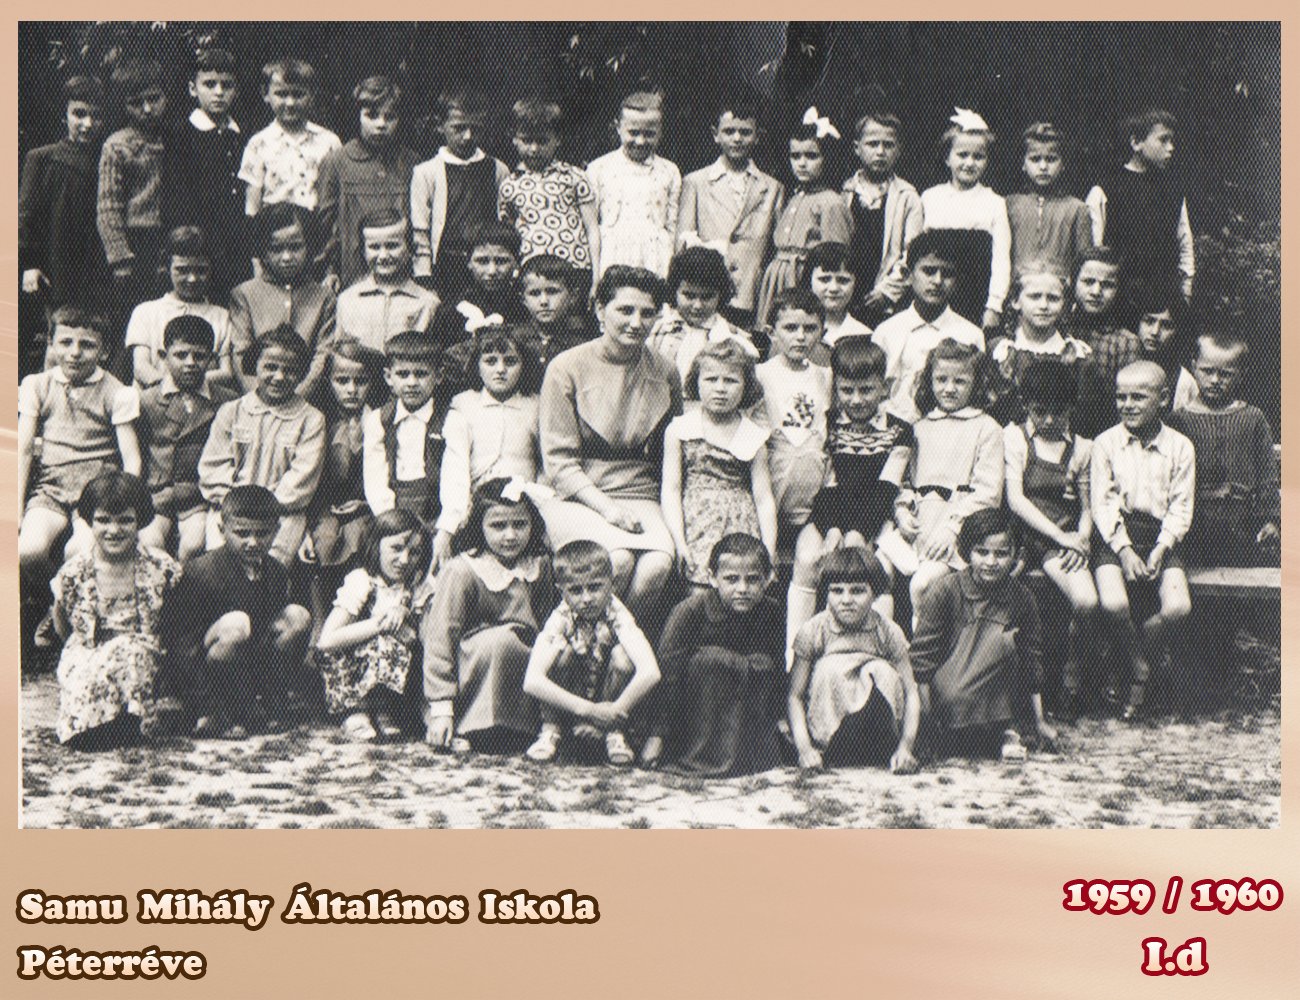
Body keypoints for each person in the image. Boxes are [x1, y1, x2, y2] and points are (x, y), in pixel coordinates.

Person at [540, 266, 682, 625]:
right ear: (600, 310)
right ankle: (582, 644)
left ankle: (612, 645)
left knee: (657, 565)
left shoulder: (665, 371)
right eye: (625, 310)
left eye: (647, 313)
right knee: (615, 560)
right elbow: (558, 463)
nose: (636, 323)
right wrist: (608, 509)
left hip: (639, 491)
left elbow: (670, 453)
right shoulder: (566, 367)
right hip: (578, 493)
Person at [787, 337, 913, 652]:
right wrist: (832, 530)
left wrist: (858, 532)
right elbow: (827, 485)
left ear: (884, 387)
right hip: (829, 513)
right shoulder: (828, 424)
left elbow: (885, 489)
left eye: (866, 390)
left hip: (876, 516)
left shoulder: (899, 431)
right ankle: (797, 651)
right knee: (808, 558)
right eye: (847, 390)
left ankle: (873, 652)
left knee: (875, 566)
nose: (856, 400)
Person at [160, 485, 312, 737]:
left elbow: (269, 642)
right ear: (222, 530)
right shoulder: (200, 571)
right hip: (205, 673)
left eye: (262, 533)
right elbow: (183, 647)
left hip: (247, 669)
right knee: (236, 624)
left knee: (297, 617)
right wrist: (204, 706)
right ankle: (221, 712)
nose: (253, 542)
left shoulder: (275, 572)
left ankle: (272, 704)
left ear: (276, 531)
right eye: (242, 533)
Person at [1090, 361, 1194, 721]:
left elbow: (1181, 506)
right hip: (1117, 535)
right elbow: (1103, 504)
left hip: (1163, 536)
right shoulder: (1106, 444)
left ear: (1163, 399)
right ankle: (1139, 668)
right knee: (1114, 603)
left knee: (1178, 607)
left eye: (1138, 397)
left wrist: (1162, 548)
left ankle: (1134, 655)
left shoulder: (1180, 447)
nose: (1128, 405)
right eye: (1121, 397)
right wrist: (1124, 550)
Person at [910, 508, 1056, 761]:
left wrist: (1039, 721)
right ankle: (971, 734)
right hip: (950, 699)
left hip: (1000, 702)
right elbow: (922, 661)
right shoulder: (945, 590)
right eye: (982, 552)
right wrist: (926, 721)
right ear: (967, 551)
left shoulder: (1022, 598)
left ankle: (1007, 729)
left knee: (1006, 641)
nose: (991, 562)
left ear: (1016, 555)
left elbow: (1031, 662)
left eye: (1001, 554)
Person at [423, 479, 557, 753]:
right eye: (498, 526)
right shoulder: (463, 570)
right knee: (502, 642)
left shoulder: (539, 566)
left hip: (524, 663)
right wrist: (441, 709)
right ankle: (472, 723)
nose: (510, 535)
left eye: (520, 524)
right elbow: (440, 640)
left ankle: (532, 727)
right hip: (474, 663)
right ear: (479, 526)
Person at [50, 472, 182, 748]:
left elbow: (176, 622)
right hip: (89, 649)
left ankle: (128, 722)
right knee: (85, 687)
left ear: (140, 521)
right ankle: (95, 728)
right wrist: (82, 653)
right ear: (90, 521)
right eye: (103, 520)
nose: (114, 530)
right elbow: (62, 621)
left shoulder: (161, 567)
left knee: (128, 652)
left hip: (142, 650)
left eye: (125, 520)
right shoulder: (75, 572)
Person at [1002, 360, 1098, 718]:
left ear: (1071, 408)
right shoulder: (1015, 438)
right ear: (1026, 404)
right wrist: (1060, 536)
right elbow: (1016, 499)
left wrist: (1082, 539)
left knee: (1087, 601)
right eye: (1039, 411)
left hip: (1064, 540)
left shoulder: (1083, 448)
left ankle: (1072, 677)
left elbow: (1087, 507)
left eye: (1058, 412)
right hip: (1025, 536)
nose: (1048, 420)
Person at [19, 308, 141, 583]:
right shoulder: (37, 385)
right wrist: (14, 508)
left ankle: (75, 600)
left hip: (97, 488)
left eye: (87, 345)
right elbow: (24, 451)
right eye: (65, 342)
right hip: (51, 487)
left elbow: (131, 459)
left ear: (104, 351)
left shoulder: (116, 392)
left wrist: (121, 502)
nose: (75, 353)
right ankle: (55, 597)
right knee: (29, 550)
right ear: (51, 344)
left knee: (78, 550)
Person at [651, 534, 785, 775]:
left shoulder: (771, 611)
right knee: (710, 661)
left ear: (767, 579)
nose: (742, 589)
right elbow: (668, 676)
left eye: (753, 579)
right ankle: (700, 756)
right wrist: (657, 736)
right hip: (696, 719)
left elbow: (778, 670)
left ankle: (747, 755)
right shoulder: (689, 611)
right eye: (731, 579)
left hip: (746, 721)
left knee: (761, 664)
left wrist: (780, 718)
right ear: (712, 578)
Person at [523, 540, 660, 766]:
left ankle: (614, 732)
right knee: (562, 655)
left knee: (623, 657)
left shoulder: (618, 614)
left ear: (611, 584)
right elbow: (532, 681)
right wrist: (589, 711)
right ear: (561, 591)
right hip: (574, 703)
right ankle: (552, 729)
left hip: (609, 704)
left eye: (595, 587)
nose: (586, 599)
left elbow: (650, 672)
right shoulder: (560, 618)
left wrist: (610, 715)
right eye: (576, 590)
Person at [198, 326, 326, 566]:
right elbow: (213, 468)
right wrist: (237, 508)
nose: (279, 377)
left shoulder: (311, 419)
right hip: (231, 512)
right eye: (270, 367)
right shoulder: (231, 411)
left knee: (269, 571)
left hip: (280, 516)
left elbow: (301, 479)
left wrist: (264, 511)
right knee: (222, 568)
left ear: (302, 374)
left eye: (290, 370)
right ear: (255, 365)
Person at [788, 547, 921, 772]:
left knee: (882, 670)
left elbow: (911, 691)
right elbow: (794, 696)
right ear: (826, 593)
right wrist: (805, 749)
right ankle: (826, 748)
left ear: (875, 593)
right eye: (837, 591)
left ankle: (887, 750)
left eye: (857, 591)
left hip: (877, 730)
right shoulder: (814, 630)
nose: (846, 600)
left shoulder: (887, 631)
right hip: (831, 738)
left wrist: (906, 747)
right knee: (829, 668)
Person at [662, 339, 776, 586]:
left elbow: (764, 499)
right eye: (711, 379)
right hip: (694, 523)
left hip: (739, 524)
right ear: (696, 382)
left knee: (737, 585)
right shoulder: (680, 429)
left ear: (746, 386)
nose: (720, 388)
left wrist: (768, 549)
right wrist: (679, 541)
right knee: (698, 587)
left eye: (731, 380)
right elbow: (671, 489)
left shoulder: (753, 436)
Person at [18, 75, 108, 373]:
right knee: (58, 338)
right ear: (64, 114)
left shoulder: (108, 156)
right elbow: (25, 216)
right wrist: (29, 263)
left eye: (96, 116)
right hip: (57, 266)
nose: (88, 124)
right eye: (79, 114)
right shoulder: (43, 159)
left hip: (97, 266)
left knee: (94, 339)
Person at [905, 338, 1005, 609]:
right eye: (941, 380)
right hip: (917, 528)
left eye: (960, 381)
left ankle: (923, 638)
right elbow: (906, 482)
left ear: (975, 383)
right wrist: (902, 513)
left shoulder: (986, 428)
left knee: (922, 585)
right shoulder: (919, 428)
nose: (949, 389)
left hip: (957, 534)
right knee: (876, 572)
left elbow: (988, 494)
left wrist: (952, 529)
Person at [434, 324, 543, 570]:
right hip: (477, 508)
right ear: (477, 365)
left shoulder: (535, 406)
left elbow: (546, 464)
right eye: (490, 361)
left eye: (510, 361)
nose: (500, 370)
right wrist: (448, 527)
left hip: (524, 507)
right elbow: (455, 467)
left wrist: (540, 503)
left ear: (524, 365)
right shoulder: (463, 405)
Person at [316, 509, 430, 741]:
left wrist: (406, 614)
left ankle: (386, 711)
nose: (405, 560)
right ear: (376, 545)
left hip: (397, 680)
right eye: (396, 548)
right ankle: (355, 713)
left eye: (415, 552)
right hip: (353, 671)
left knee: (400, 643)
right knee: (381, 640)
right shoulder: (363, 580)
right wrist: (381, 623)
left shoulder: (419, 586)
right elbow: (326, 641)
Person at [1170, 333, 1279, 567]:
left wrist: (1272, 520)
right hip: (1193, 529)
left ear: (1241, 374)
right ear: (1193, 367)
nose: (1215, 380)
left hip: (1243, 528)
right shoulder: (1178, 421)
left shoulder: (1253, 418)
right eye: (1207, 371)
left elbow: (1267, 475)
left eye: (1226, 374)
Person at [136, 315, 239, 560]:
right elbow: (136, 452)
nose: (190, 363)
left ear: (212, 359)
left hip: (197, 497)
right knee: (150, 543)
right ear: (164, 356)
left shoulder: (227, 401)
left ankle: (184, 582)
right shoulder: (147, 401)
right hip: (157, 495)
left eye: (199, 356)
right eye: (181, 355)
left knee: (194, 545)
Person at [299, 338, 383, 628]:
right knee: (323, 541)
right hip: (323, 508)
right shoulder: (318, 421)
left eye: (361, 381)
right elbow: (308, 480)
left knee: (361, 537)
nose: (351, 389)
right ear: (329, 381)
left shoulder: (379, 420)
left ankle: (357, 623)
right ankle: (321, 626)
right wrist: (306, 525)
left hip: (366, 507)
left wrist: (365, 502)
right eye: (342, 381)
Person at [678, 97, 783, 327]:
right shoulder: (696, 182)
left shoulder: (772, 187)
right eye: (729, 131)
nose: (737, 138)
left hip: (751, 293)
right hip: (708, 291)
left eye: (745, 132)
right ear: (715, 134)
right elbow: (684, 242)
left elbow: (775, 247)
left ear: (757, 136)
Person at [315, 75, 418, 291]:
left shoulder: (411, 163)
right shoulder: (337, 162)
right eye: (372, 115)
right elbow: (325, 226)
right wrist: (330, 270)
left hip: (401, 274)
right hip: (352, 275)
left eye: (390, 117)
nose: (381, 124)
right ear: (358, 116)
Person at [871, 229, 985, 422]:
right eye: (929, 271)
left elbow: (976, 397)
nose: (937, 281)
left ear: (957, 281)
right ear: (908, 275)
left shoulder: (969, 335)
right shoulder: (886, 332)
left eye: (947, 274)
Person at [96, 58, 171, 348]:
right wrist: (120, 258)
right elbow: (108, 207)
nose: (148, 109)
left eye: (154, 99)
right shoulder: (117, 145)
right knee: (132, 324)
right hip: (134, 243)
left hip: (169, 240)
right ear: (123, 106)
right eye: (136, 103)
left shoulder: (175, 139)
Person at [165, 47, 249, 302]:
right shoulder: (181, 135)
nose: (219, 92)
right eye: (210, 84)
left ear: (236, 90)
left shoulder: (243, 136)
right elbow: (177, 196)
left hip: (238, 243)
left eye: (226, 85)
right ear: (193, 88)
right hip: (201, 246)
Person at [756, 109, 853, 329]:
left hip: (801, 278)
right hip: (779, 277)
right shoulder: (795, 196)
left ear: (827, 159)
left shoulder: (831, 202)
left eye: (811, 156)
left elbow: (834, 258)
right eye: (795, 156)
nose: (801, 163)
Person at [227, 202, 337, 397]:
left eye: (295, 247)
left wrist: (297, 402)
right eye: (276, 249)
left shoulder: (323, 297)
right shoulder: (245, 294)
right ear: (262, 250)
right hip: (256, 400)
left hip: (308, 401)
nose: (286, 257)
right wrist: (261, 400)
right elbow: (241, 355)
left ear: (310, 246)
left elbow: (323, 355)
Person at [1085, 109, 1193, 304]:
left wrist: (1185, 290)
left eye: (1172, 141)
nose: (1171, 148)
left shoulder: (1173, 192)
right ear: (1136, 142)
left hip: (1163, 298)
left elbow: (1184, 244)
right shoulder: (1105, 190)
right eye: (1163, 140)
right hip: (1118, 298)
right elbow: (1095, 249)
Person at [410, 91, 510, 298]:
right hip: (446, 266)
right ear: (441, 126)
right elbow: (420, 228)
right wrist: (424, 274)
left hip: (486, 266)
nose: (468, 136)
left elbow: (505, 222)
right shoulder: (426, 172)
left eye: (475, 129)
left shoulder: (498, 169)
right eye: (459, 128)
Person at [920, 108, 1011, 332]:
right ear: (947, 158)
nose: (970, 163)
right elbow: (916, 252)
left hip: (974, 294)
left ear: (987, 161)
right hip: (935, 291)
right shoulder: (931, 197)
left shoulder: (994, 202)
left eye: (978, 157)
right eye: (962, 155)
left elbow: (1001, 260)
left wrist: (994, 306)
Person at [499, 98, 600, 297]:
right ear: (514, 139)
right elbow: (508, 237)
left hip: (574, 270)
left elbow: (592, 229)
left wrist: (596, 276)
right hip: (531, 274)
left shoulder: (574, 176)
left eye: (542, 141)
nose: (534, 149)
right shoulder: (510, 184)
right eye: (527, 141)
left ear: (557, 139)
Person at [753, 288, 832, 532]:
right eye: (790, 328)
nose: (800, 337)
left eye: (810, 329)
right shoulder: (760, 375)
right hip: (772, 480)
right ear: (771, 332)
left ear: (822, 333)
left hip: (812, 482)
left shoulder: (826, 377)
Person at [124, 225, 235, 390]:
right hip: (153, 397)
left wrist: (188, 385)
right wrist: (172, 388)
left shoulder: (221, 316)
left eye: (201, 270)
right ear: (167, 268)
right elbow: (141, 368)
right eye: (182, 270)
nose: (192, 279)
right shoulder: (146, 312)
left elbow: (226, 372)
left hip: (204, 401)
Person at [841, 109, 923, 326]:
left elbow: (912, 252)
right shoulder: (844, 193)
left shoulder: (907, 197)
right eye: (872, 144)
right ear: (857, 148)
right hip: (845, 291)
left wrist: (887, 291)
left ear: (899, 150)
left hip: (883, 299)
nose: (880, 151)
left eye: (888, 145)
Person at [586, 90, 681, 279]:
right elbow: (591, 227)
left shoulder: (669, 171)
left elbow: (672, 227)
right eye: (633, 133)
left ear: (660, 131)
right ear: (618, 127)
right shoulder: (599, 168)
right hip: (611, 256)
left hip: (655, 258)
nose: (640, 141)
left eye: (649, 134)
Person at [986, 259, 1092, 425]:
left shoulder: (1078, 357)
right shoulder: (999, 351)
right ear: (1015, 301)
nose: (1043, 305)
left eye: (1053, 298)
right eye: (1034, 297)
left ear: (1064, 304)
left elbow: (1086, 417)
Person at [362, 331, 447, 531]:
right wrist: (390, 520)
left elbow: (455, 480)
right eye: (402, 374)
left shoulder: (450, 420)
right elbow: (375, 479)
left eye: (421, 374)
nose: (412, 383)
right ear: (388, 377)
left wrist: (445, 526)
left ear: (438, 376)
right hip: (392, 512)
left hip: (436, 513)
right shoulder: (378, 420)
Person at [238, 58, 340, 218]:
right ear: (266, 94)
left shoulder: (329, 142)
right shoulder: (258, 144)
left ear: (312, 95)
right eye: (281, 94)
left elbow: (338, 197)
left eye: (298, 94)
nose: (290, 103)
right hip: (274, 227)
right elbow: (252, 206)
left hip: (319, 226)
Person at [336, 210, 440, 352]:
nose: (383, 255)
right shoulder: (347, 301)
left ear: (410, 248)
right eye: (374, 247)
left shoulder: (427, 304)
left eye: (392, 246)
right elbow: (339, 354)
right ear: (363, 251)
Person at [1064, 246, 1140, 439]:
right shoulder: (1059, 331)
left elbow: (1123, 409)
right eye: (1088, 282)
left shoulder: (1125, 343)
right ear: (1073, 282)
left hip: (1100, 437)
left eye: (1107, 285)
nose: (1096, 291)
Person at [648, 246, 756, 381]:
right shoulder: (658, 328)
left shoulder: (729, 338)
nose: (697, 305)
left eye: (707, 297)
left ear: (721, 295)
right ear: (674, 291)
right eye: (689, 295)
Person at [1005, 123, 1093, 276]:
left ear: (1063, 164)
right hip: (1018, 287)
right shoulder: (1009, 204)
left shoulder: (1077, 208)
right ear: (1023, 164)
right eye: (1035, 159)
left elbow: (1083, 264)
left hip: (1059, 287)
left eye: (1051, 159)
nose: (1043, 166)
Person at [434, 221, 527, 337]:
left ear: (517, 262)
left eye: (501, 261)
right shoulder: (451, 313)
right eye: (482, 261)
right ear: (468, 261)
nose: (492, 271)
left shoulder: (525, 309)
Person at [515, 254, 598, 369]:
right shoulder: (516, 340)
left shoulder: (582, 344)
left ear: (573, 296)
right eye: (534, 293)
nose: (544, 301)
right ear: (523, 299)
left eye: (552, 291)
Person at [799, 241, 873, 353]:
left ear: (855, 284)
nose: (833, 288)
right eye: (824, 279)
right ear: (809, 281)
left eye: (843, 280)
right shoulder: (795, 331)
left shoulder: (864, 336)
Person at [1132, 288, 1198, 412]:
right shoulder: (1123, 364)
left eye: (1166, 325)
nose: (1155, 332)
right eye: (1149, 321)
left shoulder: (1183, 382)